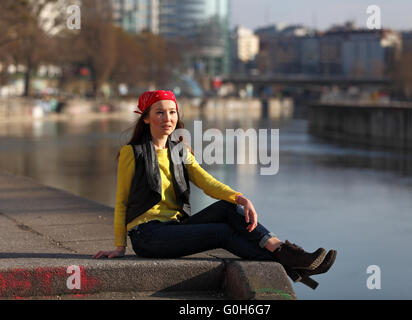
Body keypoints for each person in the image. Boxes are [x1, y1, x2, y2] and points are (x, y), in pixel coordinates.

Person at [93, 90, 337, 288]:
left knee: (228, 208)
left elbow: (207, 182)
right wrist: (119, 246)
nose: (168, 118)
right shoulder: (132, 153)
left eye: (172, 112)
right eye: (160, 113)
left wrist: (241, 198)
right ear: (146, 118)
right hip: (147, 236)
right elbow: (122, 200)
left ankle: (282, 251)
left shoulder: (180, 151)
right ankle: (287, 265)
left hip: (174, 228)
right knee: (222, 232)